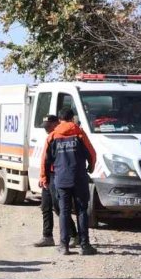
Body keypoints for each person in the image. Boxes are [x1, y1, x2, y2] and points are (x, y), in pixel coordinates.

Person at [42, 107, 98, 256]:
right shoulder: (79, 133)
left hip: (61, 179)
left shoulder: (52, 136)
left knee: (64, 211)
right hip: (79, 178)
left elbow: (45, 160)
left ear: (59, 120)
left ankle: (64, 246)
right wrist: (91, 166)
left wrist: (44, 178)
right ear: (72, 118)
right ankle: (85, 246)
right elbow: (92, 153)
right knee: (81, 211)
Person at [33, 114, 76, 247]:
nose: (46, 129)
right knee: (46, 206)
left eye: (48, 126)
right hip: (48, 175)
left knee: (59, 208)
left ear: (56, 123)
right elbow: (44, 160)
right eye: (44, 126)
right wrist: (43, 176)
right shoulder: (50, 137)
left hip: (58, 175)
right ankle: (47, 236)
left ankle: (74, 235)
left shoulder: (62, 136)